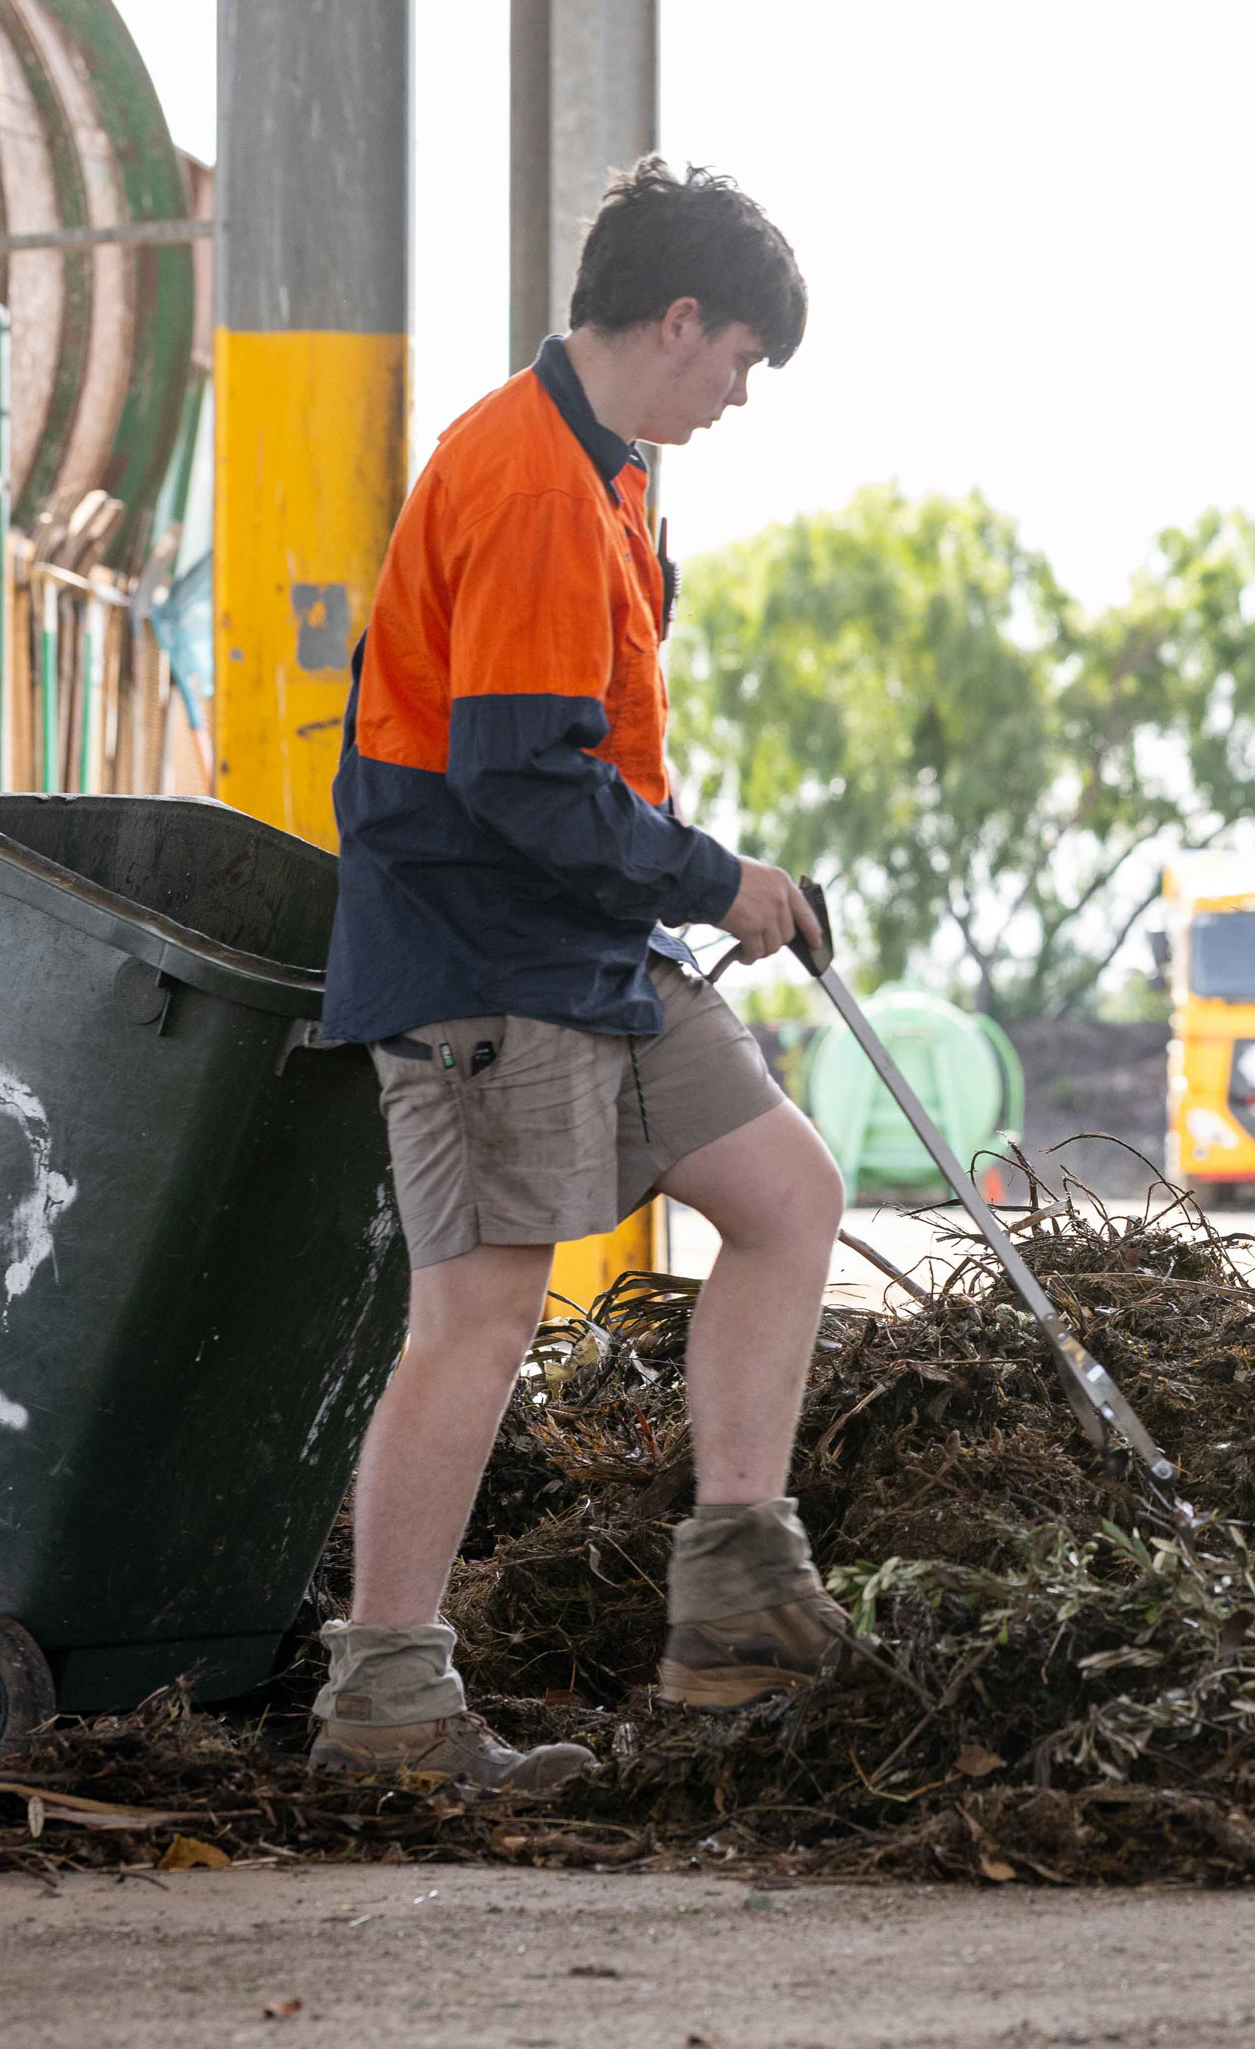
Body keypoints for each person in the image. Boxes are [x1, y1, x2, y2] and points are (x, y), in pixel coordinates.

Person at [308, 161, 854, 1789]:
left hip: (591, 948)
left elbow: (582, 756)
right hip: (484, 958)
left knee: (787, 1195)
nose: (742, 394)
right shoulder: (535, 480)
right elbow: (523, 782)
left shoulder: (611, 470)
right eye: (741, 359)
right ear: (677, 319)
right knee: (478, 1317)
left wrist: (695, 887)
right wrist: (721, 881)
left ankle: (738, 1603)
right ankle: (388, 1707)